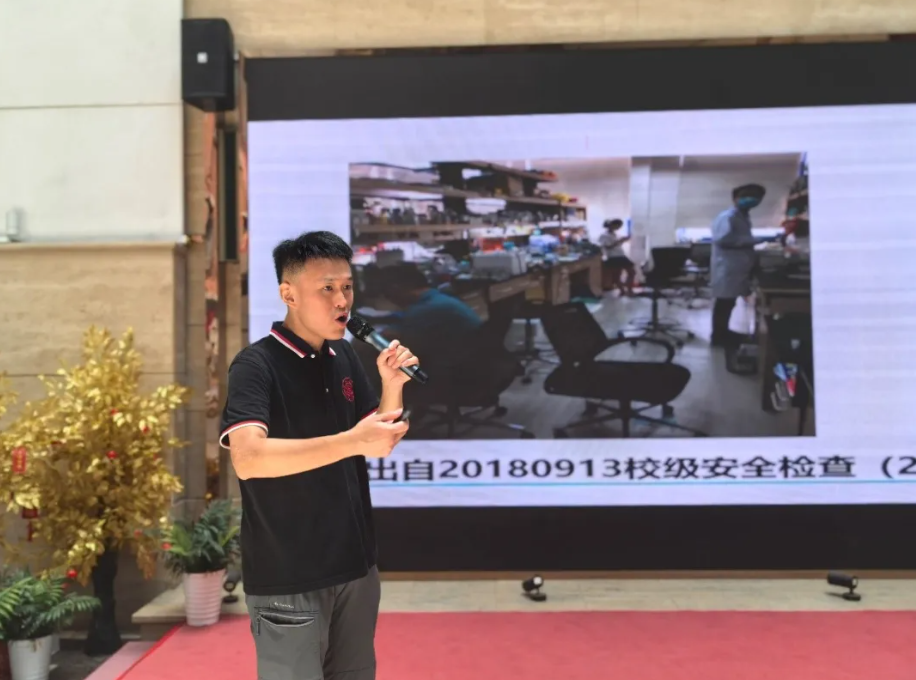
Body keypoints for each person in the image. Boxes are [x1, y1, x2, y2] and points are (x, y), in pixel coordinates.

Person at [220, 231, 419, 680]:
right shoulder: (255, 365)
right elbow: (248, 459)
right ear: (288, 294)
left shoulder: (343, 354)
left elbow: (377, 441)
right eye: (326, 288)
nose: (341, 300)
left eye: (346, 286)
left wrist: (392, 385)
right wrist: (351, 440)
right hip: (290, 573)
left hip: (355, 566)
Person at [375, 262, 483, 365]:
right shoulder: (437, 298)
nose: (390, 300)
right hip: (473, 358)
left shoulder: (423, 311)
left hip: (457, 368)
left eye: (387, 295)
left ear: (395, 289)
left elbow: (405, 347)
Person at [710, 183, 766, 346]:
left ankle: (723, 334)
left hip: (737, 268)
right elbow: (722, 239)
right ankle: (718, 338)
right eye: (747, 196)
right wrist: (752, 241)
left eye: (756, 197)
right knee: (724, 304)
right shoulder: (728, 217)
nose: (752, 200)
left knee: (729, 303)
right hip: (728, 268)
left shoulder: (742, 216)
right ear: (736, 198)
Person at [598, 219, 635, 295]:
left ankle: (629, 290)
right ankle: (622, 291)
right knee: (616, 276)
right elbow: (608, 247)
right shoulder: (604, 235)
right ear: (611, 225)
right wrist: (620, 241)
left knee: (632, 272)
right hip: (613, 257)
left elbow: (616, 245)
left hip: (621, 255)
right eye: (617, 226)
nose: (618, 228)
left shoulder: (615, 234)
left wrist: (623, 241)